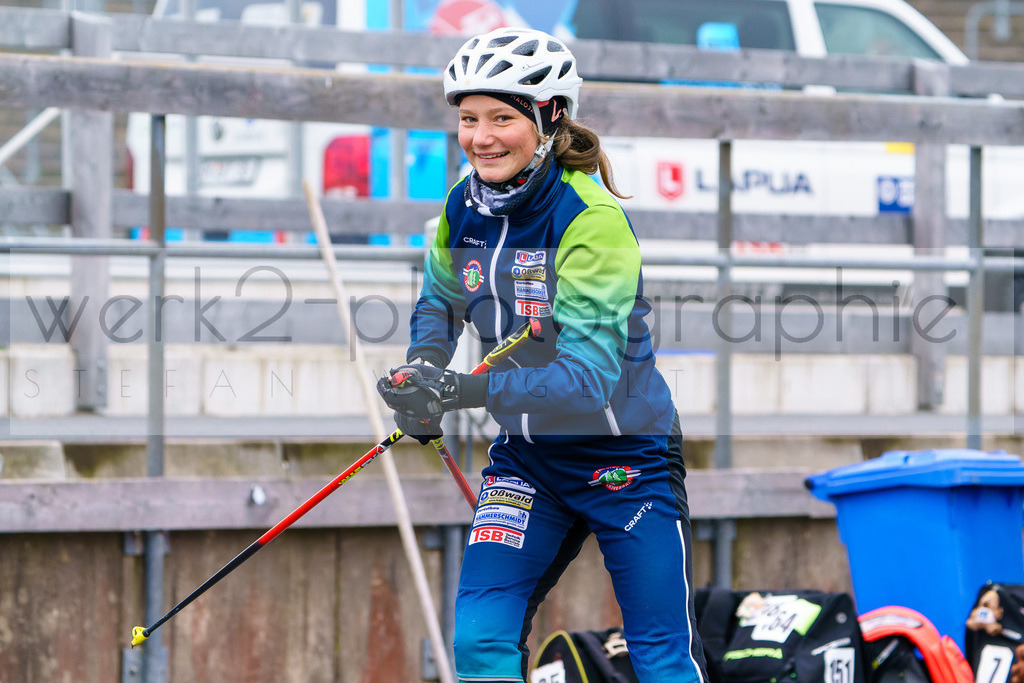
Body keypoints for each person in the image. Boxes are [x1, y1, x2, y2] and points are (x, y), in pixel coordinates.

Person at [376, 26, 708, 683]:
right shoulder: (460, 207)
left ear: (550, 118)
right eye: (468, 118)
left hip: (626, 461)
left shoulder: (591, 220)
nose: (481, 136)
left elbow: (583, 382)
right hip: (528, 462)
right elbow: (439, 303)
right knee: (478, 643)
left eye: (502, 117)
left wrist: (459, 393)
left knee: (660, 656)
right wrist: (422, 370)